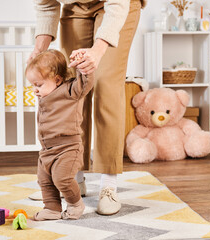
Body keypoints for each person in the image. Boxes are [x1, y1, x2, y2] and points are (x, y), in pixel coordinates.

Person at [29, 0, 146, 215]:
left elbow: (117, 5)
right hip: (75, 8)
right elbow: (46, 5)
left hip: (116, 5)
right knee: (71, 84)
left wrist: (98, 50)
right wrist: (39, 50)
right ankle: (73, 178)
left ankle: (108, 185)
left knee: (105, 85)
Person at [26, 49, 94, 220]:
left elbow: (86, 83)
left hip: (68, 147)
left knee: (62, 179)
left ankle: (76, 204)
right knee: (44, 180)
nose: (35, 90)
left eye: (38, 85)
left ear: (57, 79)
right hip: (47, 149)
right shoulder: (45, 96)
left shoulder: (70, 91)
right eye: (33, 85)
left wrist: (83, 67)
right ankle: (52, 208)